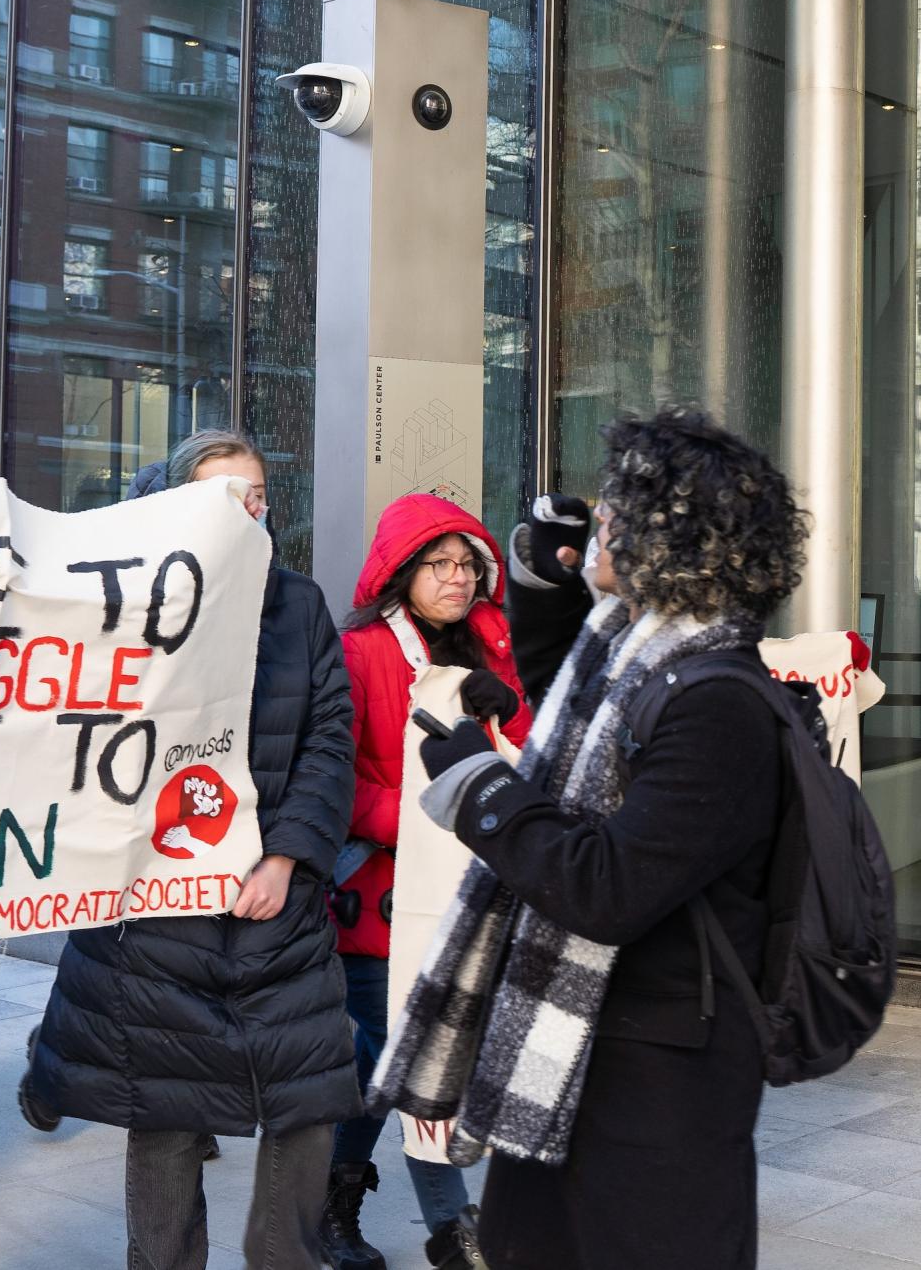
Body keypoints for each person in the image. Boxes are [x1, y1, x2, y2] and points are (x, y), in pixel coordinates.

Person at [389, 408, 806, 1270]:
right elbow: (563, 684)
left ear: (668, 539)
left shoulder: (717, 701)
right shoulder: (635, 658)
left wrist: (477, 784)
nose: (598, 522)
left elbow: (605, 888)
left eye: (615, 509)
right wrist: (547, 577)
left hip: (659, 1082)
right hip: (580, 1051)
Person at [22, 429, 361, 1270]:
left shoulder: (299, 604)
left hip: (277, 904)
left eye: (257, 497)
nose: (247, 513)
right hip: (159, 914)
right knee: (168, 1115)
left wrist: (288, 857)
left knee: (310, 1100)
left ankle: (282, 1256)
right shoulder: (119, 605)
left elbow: (329, 739)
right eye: (225, 497)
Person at [324, 494, 531, 1270]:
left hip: (470, 885)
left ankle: (332, 1195)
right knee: (411, 1049)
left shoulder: (490, 643)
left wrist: (510, 722)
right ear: (400, 571)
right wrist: (429, 814)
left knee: (390, 1055)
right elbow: (332, 780)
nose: (457, 578)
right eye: (438, 564)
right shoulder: (357, 651)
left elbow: (519, 751)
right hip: (377, 891)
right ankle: (451, 1225)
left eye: (469, 565)